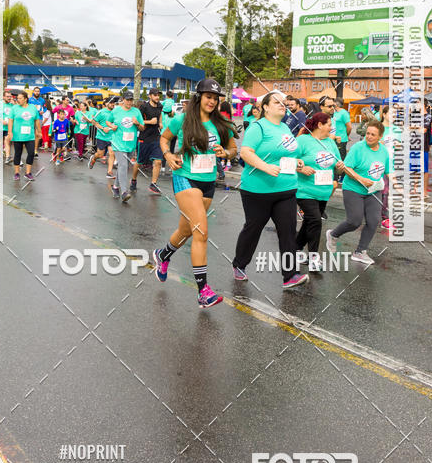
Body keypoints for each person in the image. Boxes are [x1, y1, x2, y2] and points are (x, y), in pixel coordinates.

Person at [154, 78, 237, 308]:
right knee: (201, 231)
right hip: (185, 177)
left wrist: (226, 153)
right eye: (208, 96)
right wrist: (169, 156)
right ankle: (203, 291)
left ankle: (163, 255)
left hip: (208, 182)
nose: (212, 101)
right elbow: (164, 139)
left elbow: (233, 149)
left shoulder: (222, 124)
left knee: (186, 230)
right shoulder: (183, 118)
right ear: (199, 96)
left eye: (216, 98)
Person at [231, 90, 308, 287]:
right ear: (265, 107)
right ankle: (239, 264)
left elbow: (284, 154)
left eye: (284, 102)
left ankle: (290, 276)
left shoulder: (284, 127)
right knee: (253, 228)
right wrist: (265, 166)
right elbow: (246, 153)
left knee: (288, 231)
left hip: (286, 190)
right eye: (277, 102)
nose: (282, 105)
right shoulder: (258, 127)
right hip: (258, 191)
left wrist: (296, 162)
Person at [326, 119, 390, 265]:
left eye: (373, 134)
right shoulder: (357, 148)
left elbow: (388, 170)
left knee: (373, 221)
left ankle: (360, 252)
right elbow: (346, 168)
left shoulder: (383, 151)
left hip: (373, 190)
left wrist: (399, 186)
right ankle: (333, 235)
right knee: (354, 221)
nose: (369, 136)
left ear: (380, 137)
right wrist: (361, 179)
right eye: (367, 133)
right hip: (353, 188)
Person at [295, 111, 340, 272]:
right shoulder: (303, 140)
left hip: (324, 190)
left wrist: (338, 171)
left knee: (309, 221)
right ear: (320, 125)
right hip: (304, 190)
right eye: (329, 125)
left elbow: (337, 162)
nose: (331, 128)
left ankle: (296, 248)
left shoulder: (330, 142)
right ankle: (314, 257)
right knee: (315, 220)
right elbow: (286, 159)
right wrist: (301, 168)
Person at [108, 93, 144, 202]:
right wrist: (112, 126)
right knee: (123, 165)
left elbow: (142, 128)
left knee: (123, 167)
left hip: (130, 144)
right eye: (127, 100)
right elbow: (108, 121)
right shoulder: (116, 110)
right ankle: (124, 192)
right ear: (123, 100)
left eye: (131, 100)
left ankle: (115, 187)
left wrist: (137, 123)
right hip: (118, 143)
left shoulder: (136, 112)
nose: (129, 102)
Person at [131, 88, 164, 194]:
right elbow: (137, 121)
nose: (157, 97)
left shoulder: (160, 106)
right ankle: (133, 180)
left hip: (156, 137)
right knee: (139, 162)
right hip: (144, 137)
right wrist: (150, 122)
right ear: (149, 96)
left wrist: (160, 122)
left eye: (158, 95)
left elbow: (160, 115)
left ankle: (153, 184)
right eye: (155, 95)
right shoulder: (144, 107)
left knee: (158, 161)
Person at [8, 90, 41, 181]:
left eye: (20, 98)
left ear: (25, 99)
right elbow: (10, 120)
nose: (17, 100)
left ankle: (28, 173)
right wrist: (10, 132)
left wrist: (39, 131)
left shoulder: (32, 108)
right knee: (18, 154)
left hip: (29, 135)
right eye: (17, 98)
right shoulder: (14, 108)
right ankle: (17, 173)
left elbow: (37, 120)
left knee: (31, 153)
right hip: (17, 135)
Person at [379, 105, 402, 230]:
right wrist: (378, 143)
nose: (393, 116)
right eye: (391, 114)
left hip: (390, 163)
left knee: (386, 191)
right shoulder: (379, 128)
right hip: (377, 163)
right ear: (384, 114)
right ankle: (371, 213)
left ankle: (384, 217)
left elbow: (399, 147)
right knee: (375, 189)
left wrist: (397, 145)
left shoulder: (397, 129)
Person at [88, 97, 116, 177]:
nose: (113, 104)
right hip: (102, 137)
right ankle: (93, 158)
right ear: (106, 103)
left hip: (112, 137)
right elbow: (93, 121)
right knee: (100, 154)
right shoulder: (101, 112)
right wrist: (103, 128)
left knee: (112, 153)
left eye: (113, 103)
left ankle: (109, 172)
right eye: (111, 103)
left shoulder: (115, 112)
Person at [332, 98, 352, 178]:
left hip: (342, 139)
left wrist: (346, 135)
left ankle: (343, 176)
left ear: (336, 104)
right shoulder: (334, 113)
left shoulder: (344, 113)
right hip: (334, 138)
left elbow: (349, 127)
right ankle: (336, 175)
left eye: (333, 103)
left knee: (341, 158)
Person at [1, 90, 15, 163]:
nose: (9, 98)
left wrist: (15, 104)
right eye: (7, 96)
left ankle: (7, 157)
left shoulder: (12, 105)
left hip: (8, 127)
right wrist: (1, 120)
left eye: (10, 96)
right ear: (3, 97)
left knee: (7, 142)